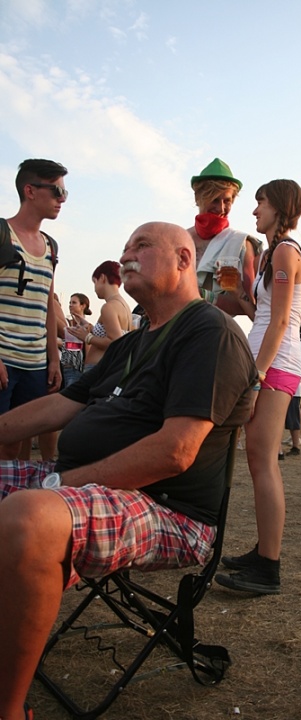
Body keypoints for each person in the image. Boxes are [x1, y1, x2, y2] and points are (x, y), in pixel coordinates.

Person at [0, 221, 257, 718]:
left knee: (28, 519)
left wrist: (59, 485)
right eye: (124, 248)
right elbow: (58, 407)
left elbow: (175, 452)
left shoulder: (210, 332)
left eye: (142, 246)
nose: (126, 256)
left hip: (166, 508)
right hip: (81, 487)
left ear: (184, 259)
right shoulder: (128, 344)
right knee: (30, 510)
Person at [215, 178, 301, 594]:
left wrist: (257, 377)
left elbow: (283, 321)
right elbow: (263, 315)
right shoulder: (272, 254)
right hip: (263, 361)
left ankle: (268, 566)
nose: (255, 211)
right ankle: (262, 552)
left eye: (261, 202)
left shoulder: (286, 252)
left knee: (263, 460)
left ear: (280, 207)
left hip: (275, 365)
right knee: (257, 460)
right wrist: (237, 293)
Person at [0, 159, 68, 460]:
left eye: (64, 193)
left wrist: (53, 359)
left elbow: (48, 305)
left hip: (35, 363)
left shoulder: (51, 246)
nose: (61, 200)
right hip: (4, 357)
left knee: (17, 442)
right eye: (56, 191)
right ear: (30, 191)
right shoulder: (3, 233)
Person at [188, 157, 262, 315]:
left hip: (214, 327)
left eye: (227, 201)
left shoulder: (240, 243)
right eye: (214, 200)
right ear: (197, 199)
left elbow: (253, 308)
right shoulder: (180, 240)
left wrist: (203, 296)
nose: (221, 208)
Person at [69, 261, 132, 369]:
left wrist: (87, 337)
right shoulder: (123, 305)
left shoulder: (108, 307)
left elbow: (115, 341)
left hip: (98, 368)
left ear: (102, 278)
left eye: (95, 282)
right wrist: (90, 326)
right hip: (109, 367)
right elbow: (111, 332)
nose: (94, 288)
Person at [61, 293, 92, 387]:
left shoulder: (86, 327)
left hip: (77, 367)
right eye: (70, 303)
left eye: (74, 303)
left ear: (83, 306)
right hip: (63, 365)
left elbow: (88, 349)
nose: (70, 305)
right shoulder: (67, 322)